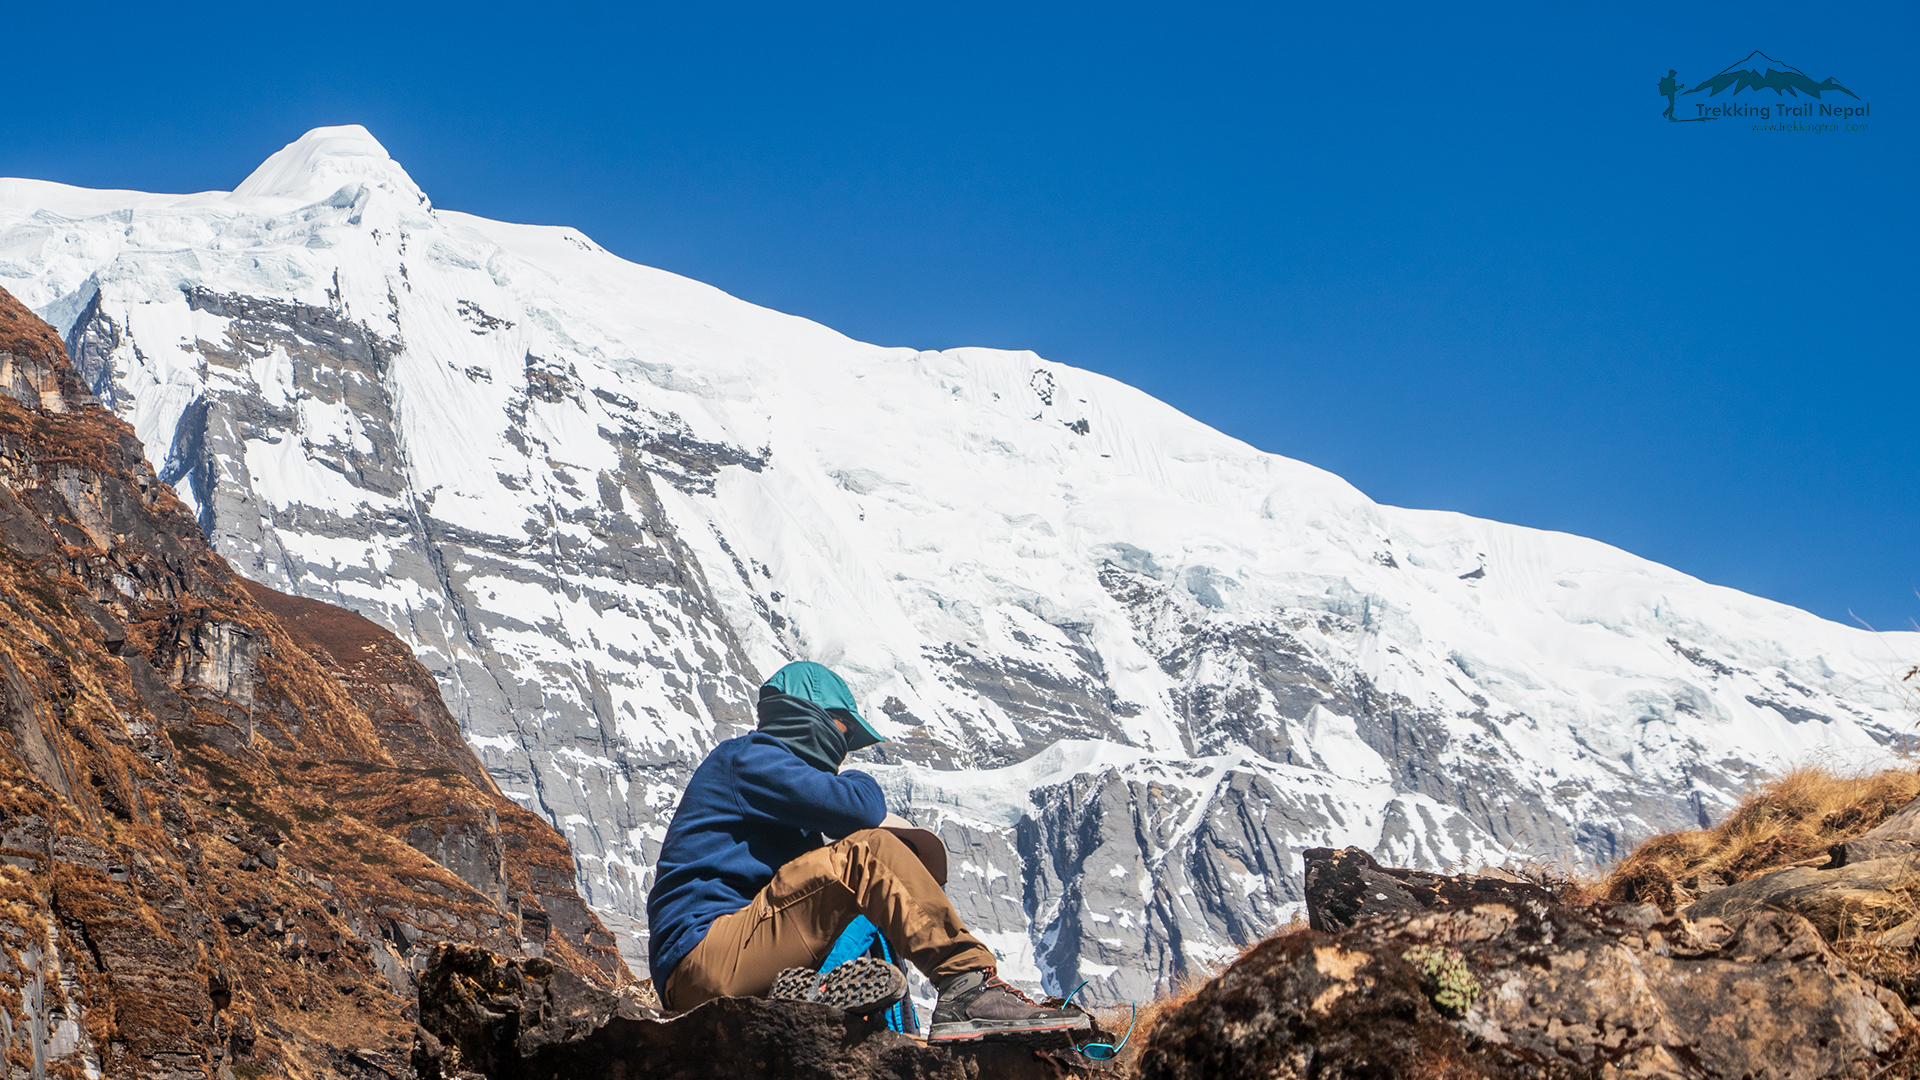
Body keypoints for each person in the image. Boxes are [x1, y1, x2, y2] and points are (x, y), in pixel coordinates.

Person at [646, 661, 1088, 1041]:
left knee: (868, 913)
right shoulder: (749, 758)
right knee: (869, 853)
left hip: (728, 959)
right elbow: (860, 807)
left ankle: (861, 1015)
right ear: (813, 717)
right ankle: (968, 986)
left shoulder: (775, 797)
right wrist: (860, 781)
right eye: (846, 729)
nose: (845, 746)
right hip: (703, 957)